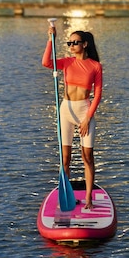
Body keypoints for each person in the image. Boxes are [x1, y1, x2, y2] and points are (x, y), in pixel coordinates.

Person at [42, 26, 103, 209]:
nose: (71, 45)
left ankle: (89, 199)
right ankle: (65, 196)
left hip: (84, 111)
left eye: (75, 42)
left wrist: (87, 119)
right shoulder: (67, 62)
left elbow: (98, 94)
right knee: (65, 159)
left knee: (87, 157)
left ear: (84, 44)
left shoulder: (95, 66)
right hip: (66, 110)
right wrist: (51, 40)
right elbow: (46, 62)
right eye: (69, 43)